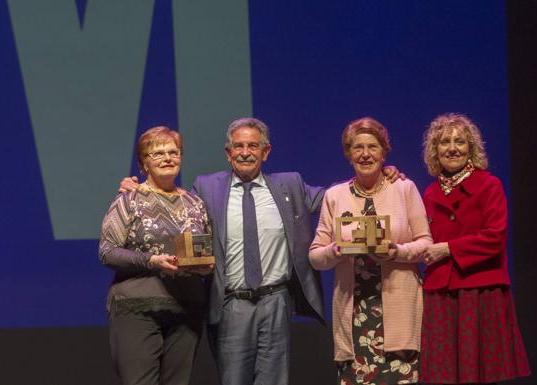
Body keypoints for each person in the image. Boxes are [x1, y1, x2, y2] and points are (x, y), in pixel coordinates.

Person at [119, 117, 403, 385]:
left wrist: (377, 176)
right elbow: (174, 203)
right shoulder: (206, 187)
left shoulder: (288, 184)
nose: (245, 152)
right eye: (238, 146)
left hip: (275, 300)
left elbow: (336, 198)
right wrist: (140, 187)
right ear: (228, 153)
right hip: (232, 301)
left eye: (253, 145)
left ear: (266, 152)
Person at [309, 117, 432, 385]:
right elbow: (316, 257)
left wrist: (395, 251)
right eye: (358, 147)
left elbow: (426, 244)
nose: (365, 154)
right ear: (348, 153)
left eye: (373, 147)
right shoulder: (335, 195)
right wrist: (337, 249)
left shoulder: (404, 188)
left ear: (384, 151)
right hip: (354, 314)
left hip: (398, 308)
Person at [419, 113, 531, 384]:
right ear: (435, 150)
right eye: (444, 142)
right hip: (441, 291)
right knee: (442, 374)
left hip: (479, 289)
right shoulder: (430, 193)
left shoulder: (488, 185)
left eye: (460, 142)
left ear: (471, 149)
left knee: (477, 373)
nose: (452, 148)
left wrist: (448, 249)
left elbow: (495, 237)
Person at [99, 126, 212, 385]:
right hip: (137, 307)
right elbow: (107, 252)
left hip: (187, 307)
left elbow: (203, 252)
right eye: (157, 153)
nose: (167, 158)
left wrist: (204, 267)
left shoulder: (195, 203)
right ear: (143, 164)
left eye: (173, 152)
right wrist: (150, 261)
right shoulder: (128, 200)